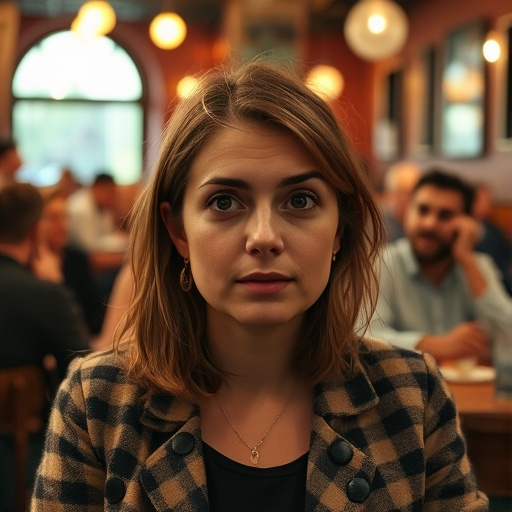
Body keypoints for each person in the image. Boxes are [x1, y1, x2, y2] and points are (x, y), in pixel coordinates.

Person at [32, 61, 487, 510]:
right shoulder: (98, 404)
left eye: (301, 200)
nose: (265, 237)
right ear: (179, 232)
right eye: (225, 201)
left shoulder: (412, 397)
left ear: (340, 230)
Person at [0, 183, 91, 512]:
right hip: (18, 463)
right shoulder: (42, 295)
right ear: (37, 231)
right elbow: (85, 375)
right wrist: (55, 287)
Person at [368, 169, 512, 363]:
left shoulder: (477, 266)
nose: (429, 224)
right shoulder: (382, 262)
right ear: (408, 211)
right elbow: (365, 335)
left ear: (467, 223)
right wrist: (437, 345)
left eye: (445, 215)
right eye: (422, 210)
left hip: (473, 391)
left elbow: (508, 332)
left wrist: (466, 259)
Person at [38, 190, 106, 334]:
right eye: (53, 217)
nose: (61, 224)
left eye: (65, 216)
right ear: (38, 224)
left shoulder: (77, 259)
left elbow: (94, 310)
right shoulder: (32, 264)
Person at [67, 172, 128, 300]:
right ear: (98, 188)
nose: (113, 198)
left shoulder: (102, 206)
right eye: (111, 193)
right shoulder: (80, 210)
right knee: (127, 273)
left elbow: (108, 237)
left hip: (92, 263)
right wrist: (128, 257)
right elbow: (93, 257)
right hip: (79, 271)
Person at [472, 182, 512, 294]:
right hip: (478, 281)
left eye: (490, 201)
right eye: (485, 201)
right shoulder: (461, 229)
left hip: (499, 279)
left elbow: (505, 254)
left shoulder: (494, 230)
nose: (490, 206)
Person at [380, 161, 420, 242]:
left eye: (411, 193)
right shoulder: (378, 225)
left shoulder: (422, 223)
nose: (406, 199)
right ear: (387, 195)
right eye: (400, 193)